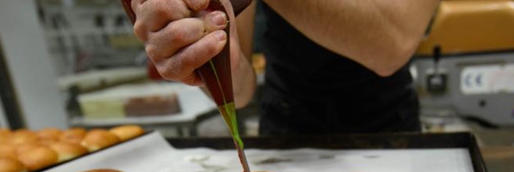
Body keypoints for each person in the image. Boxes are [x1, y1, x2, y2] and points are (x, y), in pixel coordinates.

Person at [132, 0, 438, 135]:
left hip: (387, 127)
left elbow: (392, 45)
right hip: (285, 126)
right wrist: (212, 58)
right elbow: (240, 90)